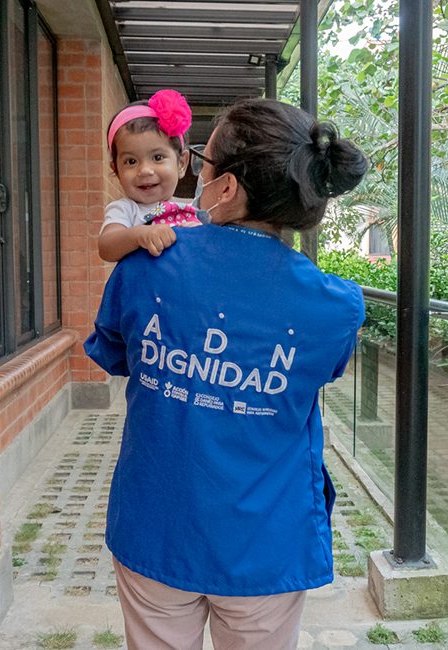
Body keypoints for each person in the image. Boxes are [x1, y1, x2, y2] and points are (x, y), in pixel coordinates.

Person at [84, 98, 369, 649]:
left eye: (200, 161)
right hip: (267, 538)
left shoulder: (143, 268)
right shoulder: (335, 307)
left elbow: (117, 352)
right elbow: (322, 373)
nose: (191, 173)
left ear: (227, 187)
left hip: (156, 526)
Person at [99, 89, 202, 262]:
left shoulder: (196, 208)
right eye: (131, 161)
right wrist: (140, 235)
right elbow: (106, 246)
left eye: (157, 157)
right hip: (145, 288)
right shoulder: (126, 210)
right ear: (116, 170)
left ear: (181, 163)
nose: (145, 170)